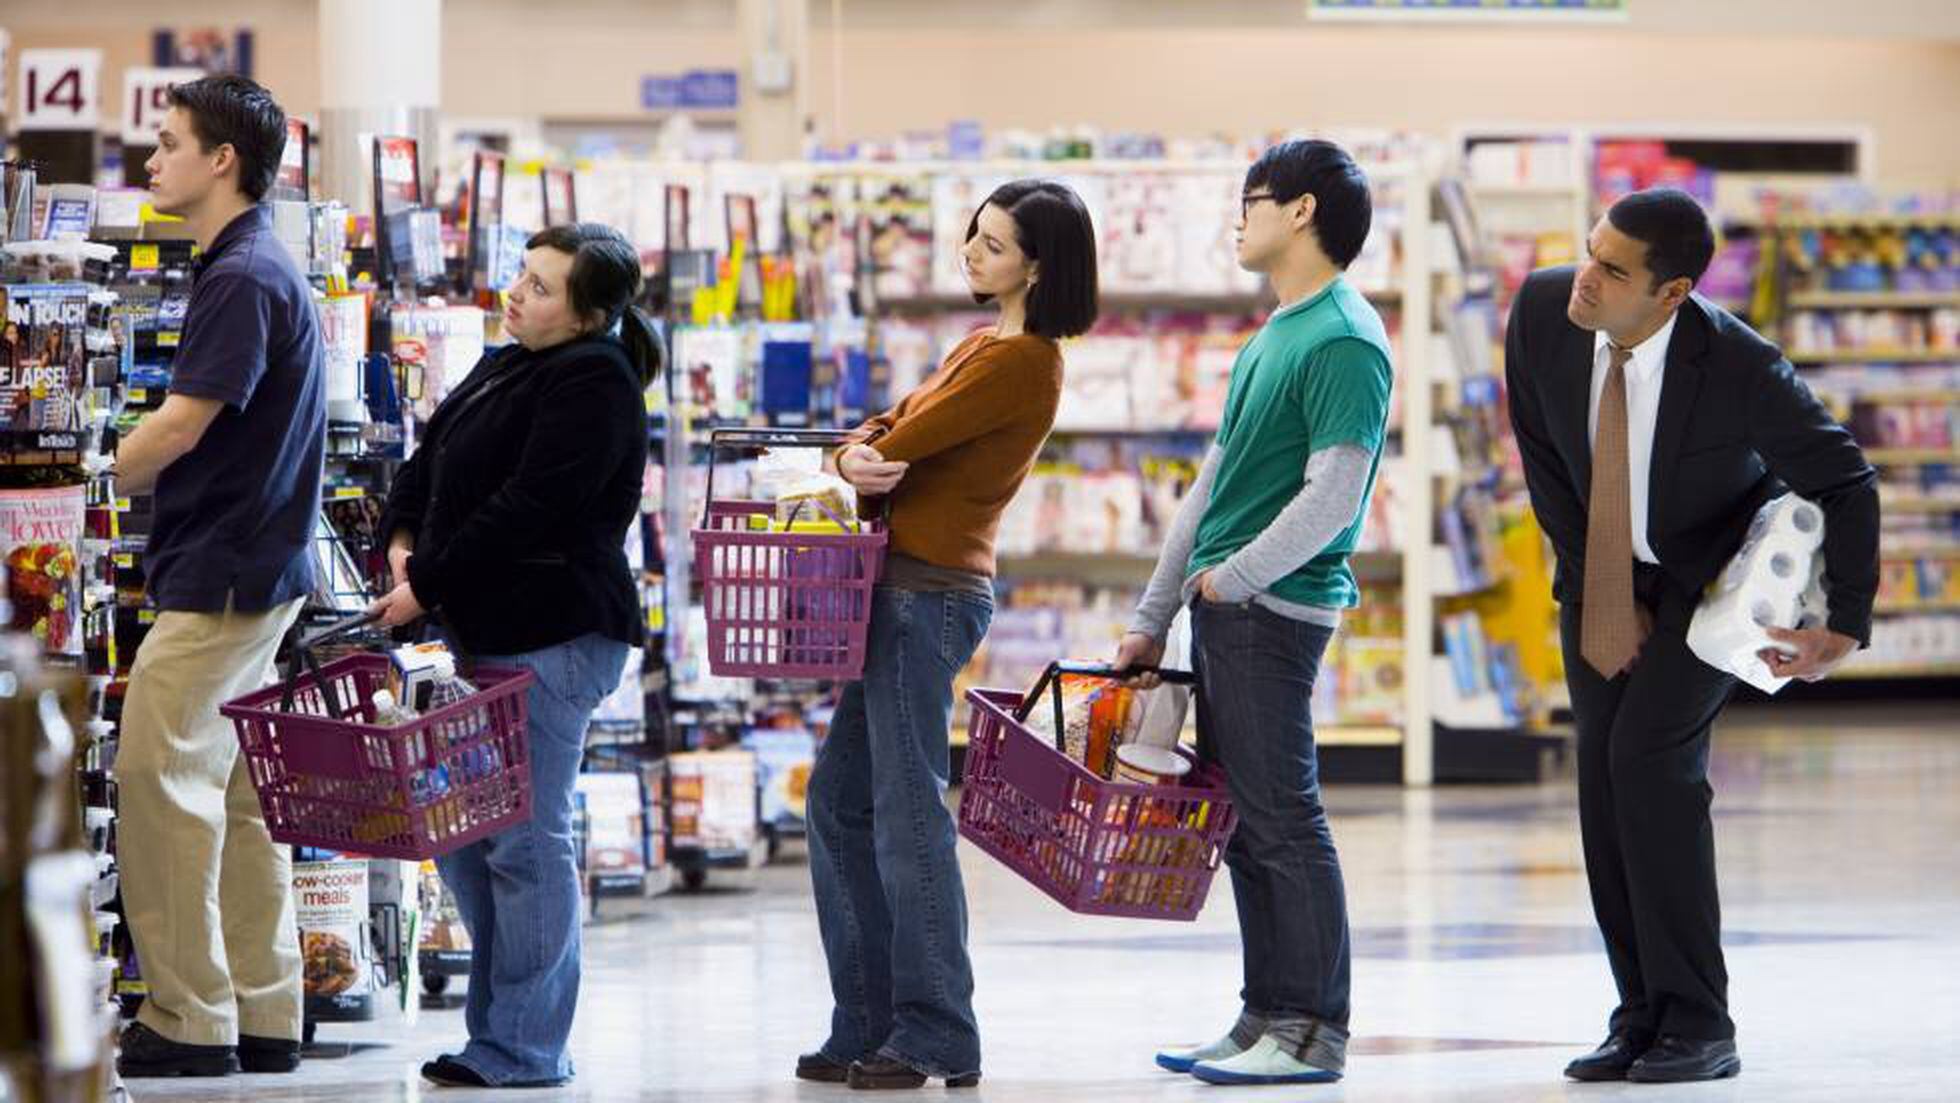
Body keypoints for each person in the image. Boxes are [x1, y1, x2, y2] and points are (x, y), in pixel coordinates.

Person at [1505, 187, 1878, 1084]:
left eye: (1613, 270)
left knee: (1649, 762)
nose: (1585, 278)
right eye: (1589, 250)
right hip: (1597, 572)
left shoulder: (1742, 367)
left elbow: (1847, 480)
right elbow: (1543, 455)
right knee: (1601, 777)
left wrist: (1845, 626)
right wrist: (1603, 584)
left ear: (1670, 294)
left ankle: (1701, 1020)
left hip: (1705, 583)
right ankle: (1639, 1014)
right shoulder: (1542, 312)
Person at [800, 179, 1098, 1092]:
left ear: (1040, 267)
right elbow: (880, 435)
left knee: (906, 810)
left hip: (926, 594)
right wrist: (859, 452)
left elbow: (905, 439)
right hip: (897, 590)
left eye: (995, 244)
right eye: (974, 233)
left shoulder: (1024, 361)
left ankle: (934, 1033)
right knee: (840, 802)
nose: (971, 250)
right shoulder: (981, 345)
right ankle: (870, 1021)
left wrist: (862, 454)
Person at [1113, 139, 1393, 1087]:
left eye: (1252, 201)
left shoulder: (1345, 337)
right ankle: (1266, 1013)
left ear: (1303, 210)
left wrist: (1235, 579)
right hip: (1226, 608)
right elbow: (1213, 485)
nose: (1240, 219)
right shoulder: (1275, 332)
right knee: (1244, 821)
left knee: (1283, 817)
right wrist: (1156, 610)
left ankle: (1316, 1027)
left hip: (1276, 611)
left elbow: (1335, 496)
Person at [371, 222, 659, 1089]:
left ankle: (525, 1045)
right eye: (522, 276)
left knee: (524, 840)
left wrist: (425, 581)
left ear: (589, 314)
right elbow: (432, 454)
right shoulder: (512, 359)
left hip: (554, 632)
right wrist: (403, 542)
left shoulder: (596, 381)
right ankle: (496, 1034)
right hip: (478, 628)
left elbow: (531, 505)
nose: (518, 294)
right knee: (465, 836)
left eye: (540, 287)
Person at [112, 74, 326, 1079]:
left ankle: (189, 1018)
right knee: (236, 797)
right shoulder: (257, 265)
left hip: (222, 575)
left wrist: (83, 472)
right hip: (261, 568)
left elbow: (185, 420)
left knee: (158, 784)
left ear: (221, 160)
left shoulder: (242, 276)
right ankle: (263, 1005)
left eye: (167, 143)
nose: (152, 161)